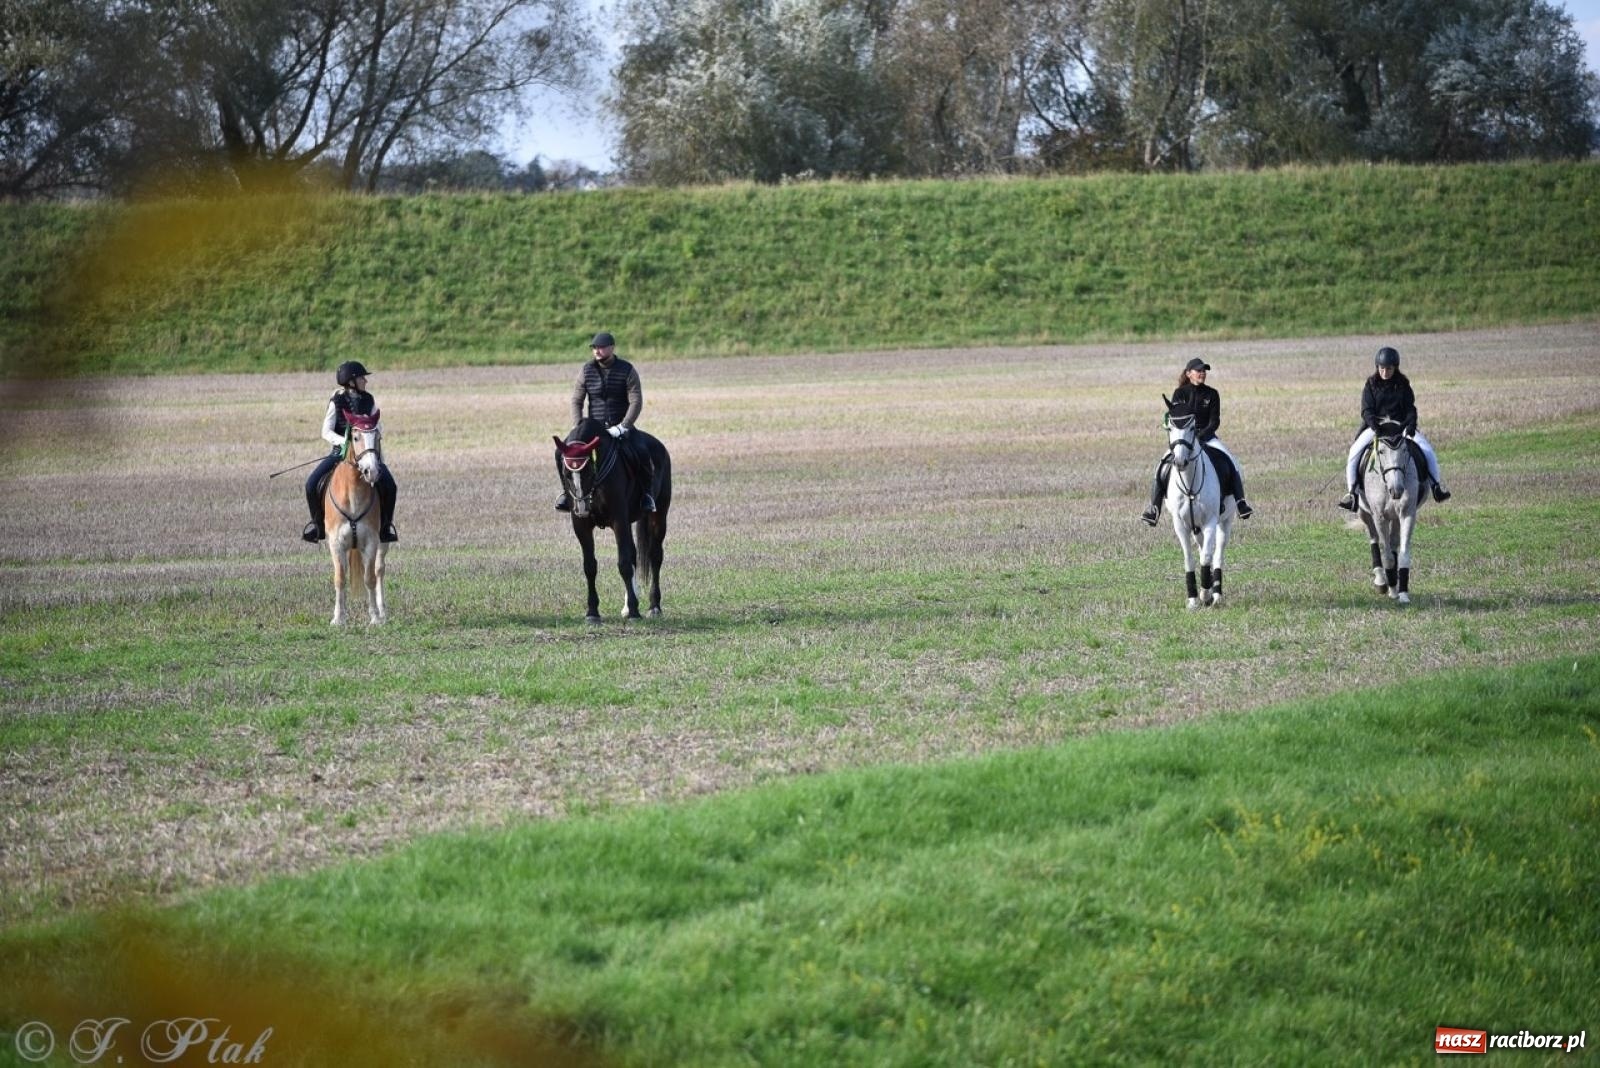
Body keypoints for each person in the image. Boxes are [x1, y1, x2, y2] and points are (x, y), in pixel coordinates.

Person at [1141, 357, 1253, 525]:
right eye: (1199, 370)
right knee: (1162, 465)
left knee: (1229, 460)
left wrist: (1201, 435)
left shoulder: (1212, 394)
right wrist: (1186, 437)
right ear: (1189, 373)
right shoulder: (1180, 393)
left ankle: (1240, 502)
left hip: (1207, 438)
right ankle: (1154, 508)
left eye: (1204, 370)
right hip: (1184, 440)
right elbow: (1176, 418)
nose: (1202, 373)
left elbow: (1215, 421)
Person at [1338, 345, 1450, 510]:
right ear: (1378, 367)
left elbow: (1410, 408)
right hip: (1377, 427)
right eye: (1382, 368)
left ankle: (1436, 487)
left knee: (1427, 450)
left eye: (1388, 369)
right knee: (1354, 452)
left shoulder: (1403, 384)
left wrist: (1411, 425)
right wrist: (1375, 426)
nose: (1384, 372)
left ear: (1395, 368)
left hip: (1400, 426)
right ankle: (1352, 494)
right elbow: (1366, 410)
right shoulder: (1370, 385)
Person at [555, 331, 656, 513]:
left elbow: (636, 401)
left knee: (642, 451)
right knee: (559, 452)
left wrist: (623, 426)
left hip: (621, 426)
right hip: (592, 428)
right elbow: (576, 400)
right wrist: (578, 425)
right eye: (594, 348)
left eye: (601, 347)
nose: (597, 351)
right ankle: (565, 494)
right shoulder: (586, 370)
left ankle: (647, 496)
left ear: (612, 348)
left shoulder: (627, 370)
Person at [302, 360, 398, 543]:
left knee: (391, 486)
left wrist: (370, 435)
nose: (365, 381)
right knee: (310, 484)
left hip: (366, 454)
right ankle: (317, 526)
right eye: (362, 378)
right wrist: (344, 442)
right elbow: (326, 431)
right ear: (352, 380)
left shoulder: (369, 400)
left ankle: (385, 527)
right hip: (340, 454)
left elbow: (379, 426)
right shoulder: (336, 401)